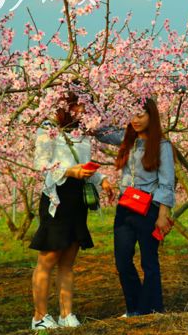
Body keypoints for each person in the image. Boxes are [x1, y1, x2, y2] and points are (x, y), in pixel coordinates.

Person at [30, 93, 114, 330]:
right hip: (57, 198)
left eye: (83, 107)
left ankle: (66, 314)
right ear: (65, 105)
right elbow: (41, 163)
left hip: (77, 199)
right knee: (48, 258)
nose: (80, 111)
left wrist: (102, 180)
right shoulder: (49, 128)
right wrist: (70, 172)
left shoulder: (84, 132)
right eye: (77, 106)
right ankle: (40, 316)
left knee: (68, 260)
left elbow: (85, 164)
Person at [94, 97, 175, 317]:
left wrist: (162, 214)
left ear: (152, 115)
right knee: (122, 260)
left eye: (141, 114)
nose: (136, 120)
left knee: (149, 261)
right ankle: (136, 307)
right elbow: (99, 131)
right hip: (125, 206)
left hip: (149, 207)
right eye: (131, 114)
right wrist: (96, 103)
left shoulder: (162, 146)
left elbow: (167, 182)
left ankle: (153, 308)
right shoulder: (126, 139)